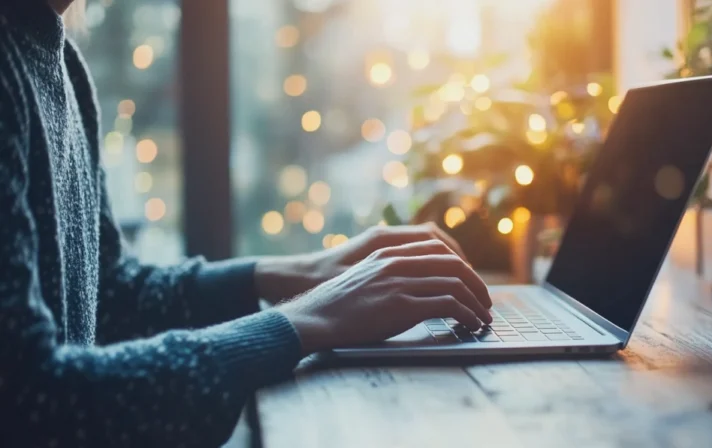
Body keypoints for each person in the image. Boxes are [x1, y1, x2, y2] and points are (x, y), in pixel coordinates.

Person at [0, 0, 493, 446]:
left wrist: (298, 272)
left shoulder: (58, 56)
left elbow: (111, 298)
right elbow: (35, 400)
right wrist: (306, 319)